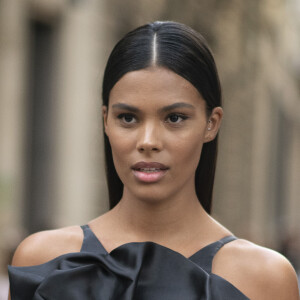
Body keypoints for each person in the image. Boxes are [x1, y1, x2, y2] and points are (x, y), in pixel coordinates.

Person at [8, 21, 299, 299]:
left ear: (212, 123)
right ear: (105, 120)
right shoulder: (42, 260)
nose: (148, 141)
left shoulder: (264, 278)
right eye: (128, 118)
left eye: (174, 118)